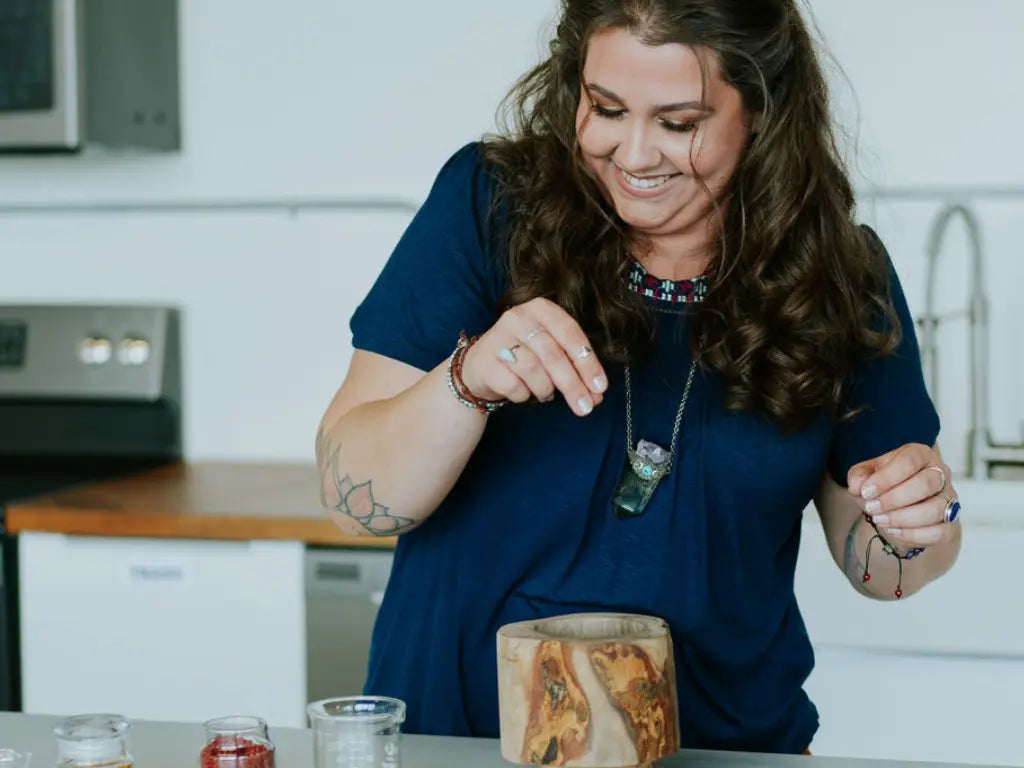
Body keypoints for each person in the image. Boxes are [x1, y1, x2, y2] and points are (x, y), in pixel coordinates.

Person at [315, 0, 962, 755]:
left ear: (762, 112)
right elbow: (351, 503)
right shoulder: (489, 205)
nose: (634, 153)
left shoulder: (843, 279)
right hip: (460, 741)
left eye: (679, 123)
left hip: (725, 746)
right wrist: (468, 379)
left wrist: (919, 524)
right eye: (607, 108)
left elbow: (884, 568)